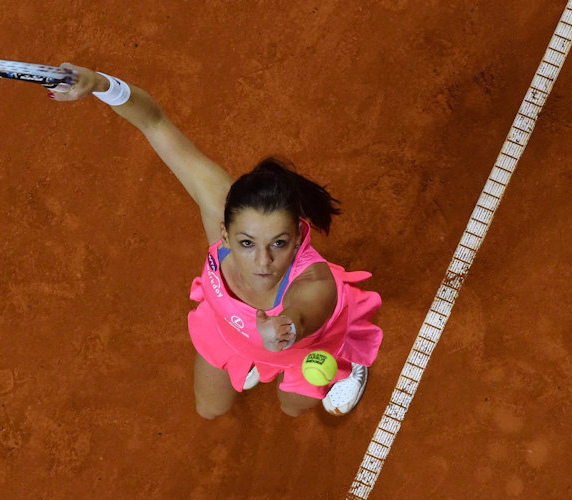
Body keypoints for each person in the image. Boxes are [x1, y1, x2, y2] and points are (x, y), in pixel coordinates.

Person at [51, 64, 383, 418]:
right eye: (246, 243)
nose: (263, 263)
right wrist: (101, 84)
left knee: (292, 408)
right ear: (224, 233)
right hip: (229, 330)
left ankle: (347, 356)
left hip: (305, 349)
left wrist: (285, 328)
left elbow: (299, 315)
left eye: (279, 243)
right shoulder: (218, 210)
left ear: (299, 234)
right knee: (209, 409)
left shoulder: (316, 285)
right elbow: (154, 122)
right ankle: (256, 356)